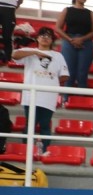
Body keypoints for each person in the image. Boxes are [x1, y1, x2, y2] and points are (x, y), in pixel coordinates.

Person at [11, 27, 69, 155]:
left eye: (48, 36)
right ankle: (26, 151)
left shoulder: (58, 56)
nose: (45, 38)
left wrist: (51, 81)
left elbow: (65, 75)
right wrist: (35, 52)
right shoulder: (29, 52)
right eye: (42, 35)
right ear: (37, 38)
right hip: (30, 96)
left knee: (45, 125)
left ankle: (45, 151)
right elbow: (14, 55)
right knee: (29, 125)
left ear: (52, 39)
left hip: (48, 97)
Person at [54, 0, 93, 90]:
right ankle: (66, 96)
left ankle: (81, 96)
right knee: (68, 72)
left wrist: (81, 39)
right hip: (69, 41)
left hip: (85, 42)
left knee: (82, 73)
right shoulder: (67, 10)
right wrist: (70, 40)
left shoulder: (91, 13)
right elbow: (58, 28)